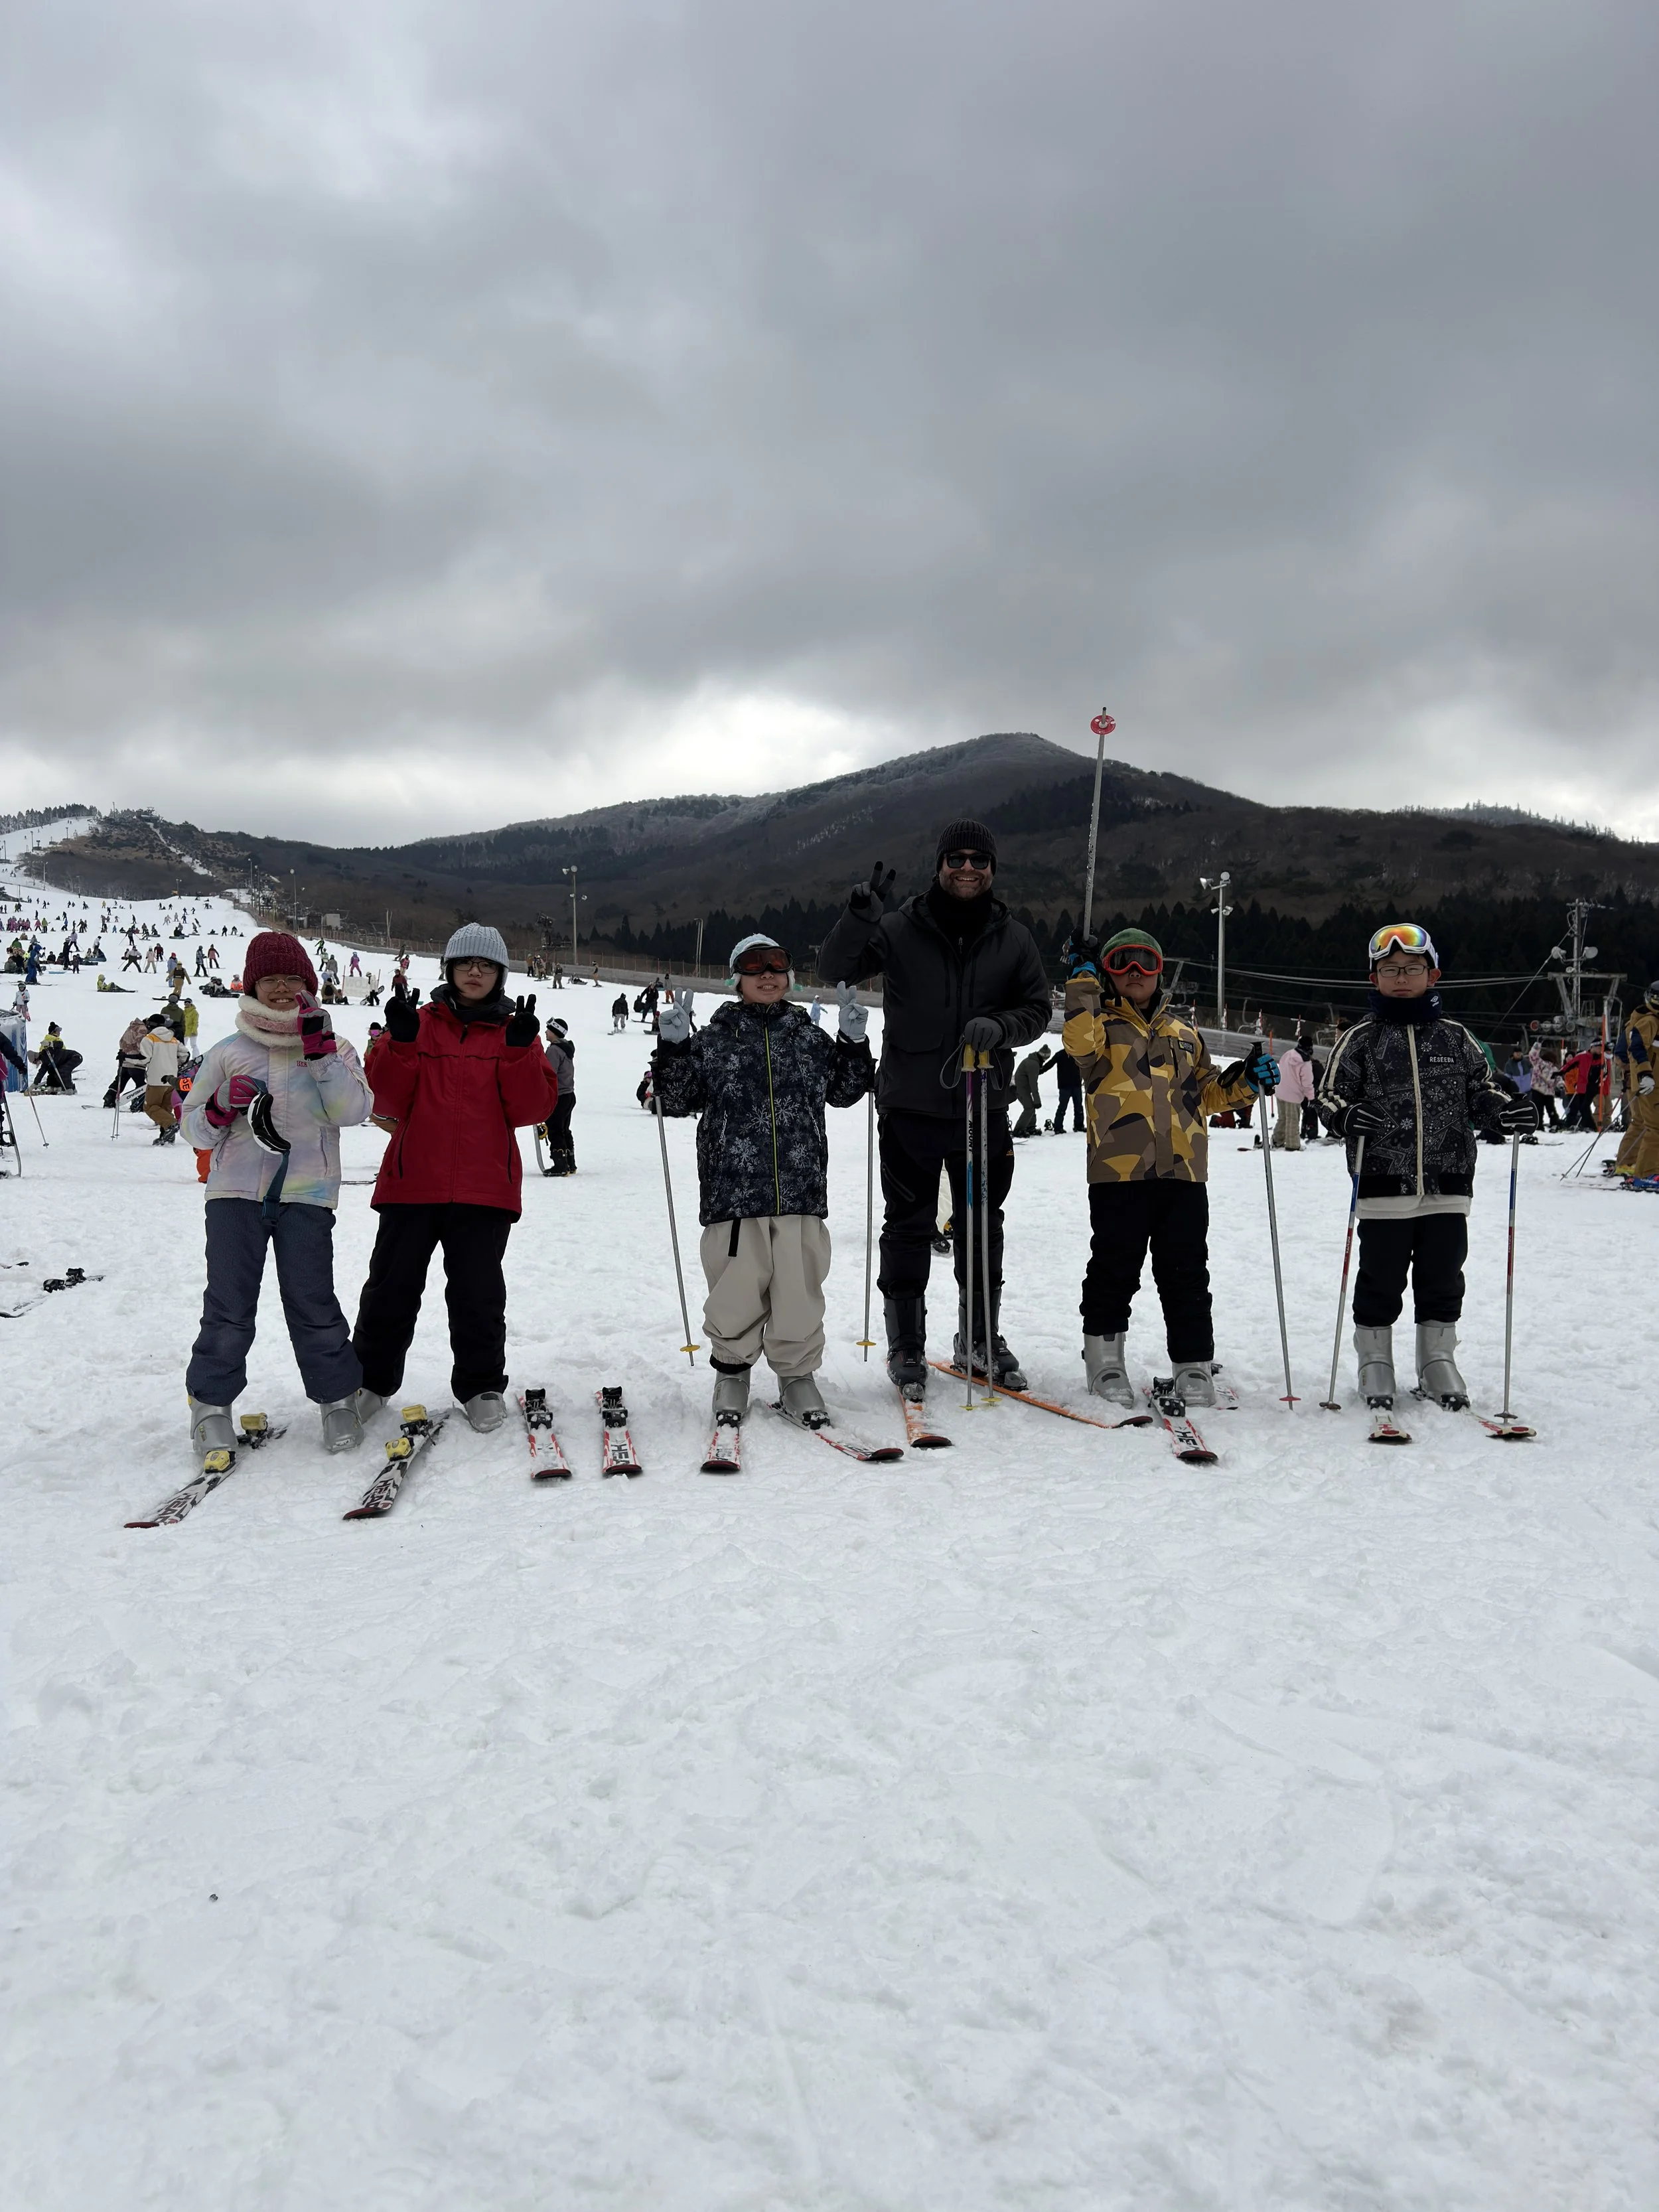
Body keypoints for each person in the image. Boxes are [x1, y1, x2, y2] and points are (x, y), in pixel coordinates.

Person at [818, 821, 1050, 1391]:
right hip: (911, 1106)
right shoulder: (899, 927)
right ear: (939, 864)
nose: (967, 868)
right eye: (957, 858)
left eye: (979, 859)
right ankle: (906, 1344)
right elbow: (834, 969)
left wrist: (1000, 1026)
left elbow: (1038, 1009)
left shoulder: (1013, 936)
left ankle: (979, 1336)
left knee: (981, 1225)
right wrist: (859, 918)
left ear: (993, 868)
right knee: (908, 1227)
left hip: (983, 1106)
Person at [652, 940, 875, 1432]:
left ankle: (797, 1378)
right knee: (735, 1291)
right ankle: (732, 1374)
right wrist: (672, 1050)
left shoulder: (808, 1038)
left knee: (799, 1292)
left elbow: (845, 1092)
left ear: (790, 977)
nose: (768, 975)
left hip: (799, 1190)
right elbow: (675, 1097)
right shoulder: (714, 1040)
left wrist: (854, 1044)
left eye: (777, 965)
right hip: (733, 1192)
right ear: (736, 978)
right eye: (754, 967)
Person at [351, 924, 558, 1432]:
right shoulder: (418, 1024)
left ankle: (482, 1383)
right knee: (390, 1288)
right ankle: (370, 1381)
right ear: (448, 969)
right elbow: (386, 1101)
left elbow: (532, 1108)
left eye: (485, 965)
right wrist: (397, 1045)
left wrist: (517, 1052)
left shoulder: (516, 1033)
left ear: (500, 974)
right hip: (412, 1182)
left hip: (484, 1188)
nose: (474, 972)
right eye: (465, 963)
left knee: (478, 1293)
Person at [1318, 922, 1531, 1412]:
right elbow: (1328, 1097)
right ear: (1374, 978)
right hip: (1382, 1182)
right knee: (1381, 1276)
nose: (1400, 977)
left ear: (1432, 974)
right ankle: (1375, 1361)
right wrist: (1346, 1116)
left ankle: (1437, 1359)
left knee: (1443, 1273)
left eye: (1411, 968)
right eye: (1389, 969)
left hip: (1448, 1178)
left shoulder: (1456, 1037)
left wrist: (1505, 1110)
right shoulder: (1359, 1039)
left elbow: (1482, 1089)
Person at [180, 932, 375, 1461]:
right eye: (272, 979)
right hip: (235, 1194)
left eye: (293, 978)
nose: (283, 988)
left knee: (312, 1301)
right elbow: (193, 1130)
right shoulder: (227, 1052)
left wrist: (320, 1056)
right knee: (229, 1305)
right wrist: (218, 1107)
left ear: (309, 985)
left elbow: (355, 1109)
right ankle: (210, 1404)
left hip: (307, 1195)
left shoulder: (337, 1048)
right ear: (255, 985)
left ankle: (336, 1397)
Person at [1062, 927, 1276, 1406]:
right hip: (1119, 1174)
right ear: (1107, 971)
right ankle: (1105, 1360)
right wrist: (1081, 982)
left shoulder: (1183, 1032)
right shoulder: (1097, 1027)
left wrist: (1246, 1081)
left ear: (1160, 970)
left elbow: (1210, 1093)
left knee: (1186, 1271)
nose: (1134, 973)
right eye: (1121, 963)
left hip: (1182, 1174)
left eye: (1144, 962)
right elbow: (1077, 1045)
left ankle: (1194, 1362)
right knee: (1115, 1267)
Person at [1611, 983, 1659, 1179]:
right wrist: (1640, 1074)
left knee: (1644, 1123)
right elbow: (1627, 1053)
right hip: (1643, 1082)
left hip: (1646, 1080)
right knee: (1646, 1124)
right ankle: (1636, 1165)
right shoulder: (1647, 1021)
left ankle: (1637, 1162)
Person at [540, 1017, 577, 1175]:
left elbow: (549, 1073)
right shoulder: (565, 1049)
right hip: (568, 1095)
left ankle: (560, 1165)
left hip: (559, 1095)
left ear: (555, 1032)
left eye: (548, 1029)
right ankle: (570, 1162)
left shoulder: (554, 1050)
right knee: (564, 1128)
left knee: (555, 1128)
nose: (546, 1032)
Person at [140, 1017, 184, 1143]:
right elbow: (185, 1054)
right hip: (171, 1079)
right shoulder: (173, 1039)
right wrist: (176, 1065)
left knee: (150, 1107)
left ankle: (171, 1124)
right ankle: (167, 1138)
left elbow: (144, 1059)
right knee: (165, 1109)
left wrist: (127, 1057)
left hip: (156, 1080)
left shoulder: (150, 1039)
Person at [1273, 1035, 1315, 1150]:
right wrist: (1311, 1098)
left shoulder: (1288, 1054)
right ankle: (1293, 1145)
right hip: (1293, 1096)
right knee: (1293, 1120)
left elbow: (1280, 1068)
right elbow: (1307, 1083)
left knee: (1282, 1118)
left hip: (1280, 1091)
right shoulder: (1305, 1063)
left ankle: (1277, 1140)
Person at [1011, 1043, 1055, 1138]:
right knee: (1029, 1108)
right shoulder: (1033, 1064)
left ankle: (1030, 1127)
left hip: (1021, 1088)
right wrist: (1037, 1100)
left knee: (1031, 1107)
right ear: (1045, 1057)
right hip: (1020, 1089)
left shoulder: (1033, 1061)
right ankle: (1019, 1130)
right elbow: (1033, 1084)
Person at [1051, 1037, 1086, 1132]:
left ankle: (1079, 1126)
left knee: (1079, 1107)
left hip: (1076, 1086)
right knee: (1062, 1107)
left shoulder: (1078, 1055)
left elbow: (1085, 1066)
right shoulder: (1060, 1055)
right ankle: (1058, 1127)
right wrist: (1039, 1071)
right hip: (1064, 1087)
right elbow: (1049, 1064)